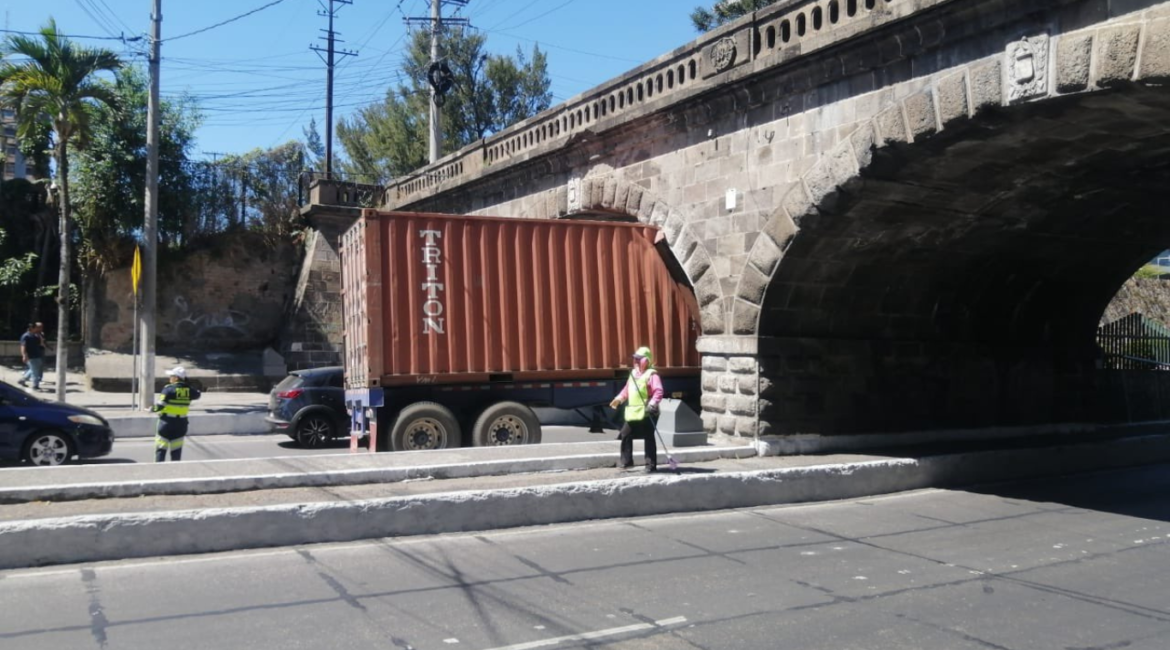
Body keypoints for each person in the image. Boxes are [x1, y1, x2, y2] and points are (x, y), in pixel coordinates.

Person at [609, 346, 664, 472]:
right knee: (625, 433)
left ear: (646, 360)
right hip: (634, 411)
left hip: (648, 411)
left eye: (639, 359)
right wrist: (619, 399)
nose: (636, 361)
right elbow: (627, 389)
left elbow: (658, 392)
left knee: (648, 436)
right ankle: (626, 462)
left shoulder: (652, 374)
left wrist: (652, 404)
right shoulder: (633, 373)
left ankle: (650, 465)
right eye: (635, 359)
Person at [152, 366, 201, 462]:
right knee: (176, 451)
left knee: (161, 449)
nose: (170, 378)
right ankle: (175, 468)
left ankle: (158, 469)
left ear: (176, 378)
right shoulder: (189, 390)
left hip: (166, 423)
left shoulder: (168, 389)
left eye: (171, 376)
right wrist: (187, 384)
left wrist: (151, 409)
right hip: (181, 424)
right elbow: (198, 394)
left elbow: (159, 406)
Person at [17, 322, 46, 391]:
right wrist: (24, 355)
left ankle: (22, 380)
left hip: (37, 355)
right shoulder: (26, 336)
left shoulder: (36, 336)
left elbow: (41, 345)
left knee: (34, 369)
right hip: (31, 356)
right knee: (35, 371)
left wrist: (41, 338)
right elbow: (23, 346)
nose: (38, 329)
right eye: (37, 328)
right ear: (32, 328)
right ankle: (35, 386)